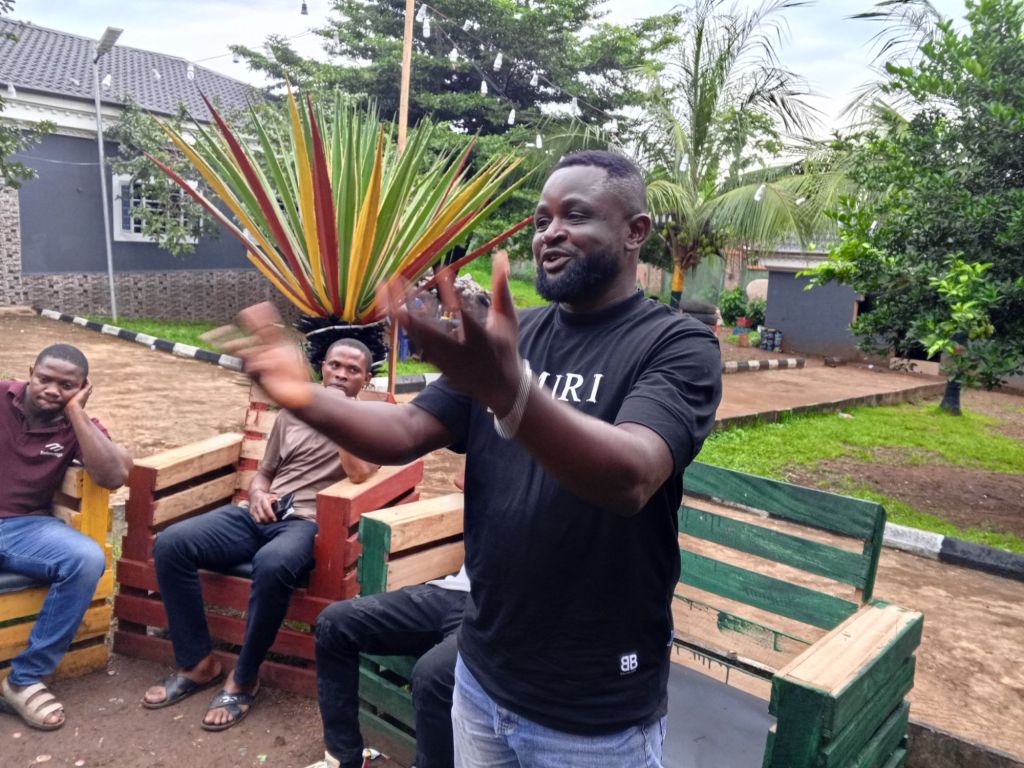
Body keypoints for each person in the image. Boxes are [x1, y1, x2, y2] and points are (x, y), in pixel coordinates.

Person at [234, 150, 723, 765]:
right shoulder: (517, 340)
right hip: (483, 678)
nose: (550, 233)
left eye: (575, 215)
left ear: (635, 231)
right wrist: (304, 396)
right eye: (542, 219)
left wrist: (510, 393)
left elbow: (632, 476)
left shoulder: (676, 344)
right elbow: (405, 430)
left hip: (592, 706)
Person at [141, 338, 380, 731]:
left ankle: (244, 676)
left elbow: (359, 474)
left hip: (309, 524)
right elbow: (266, 472)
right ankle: (198, 662)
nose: (341, 374)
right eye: (335, 365)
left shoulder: (371, 421)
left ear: (365, 379)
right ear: (323, 367)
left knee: (273, 564)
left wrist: (337, 416)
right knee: (172, 544)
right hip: (260, 514)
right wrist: (256, 494)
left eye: (352, 370)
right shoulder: (292, 413)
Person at [0, 344, 133, 731]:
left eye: (66, 386)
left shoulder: (78, 425)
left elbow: (114, 475)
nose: (52, 390)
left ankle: (24, 679)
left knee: (86, 558)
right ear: (30, 372)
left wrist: (75, 413)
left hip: (25, 527)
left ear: (83, 388)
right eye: (44, 379)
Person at [307, 564, 469, 768]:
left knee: (432, 675)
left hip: (497, 611)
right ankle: (344, 760)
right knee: (332, 623)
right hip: (456, 589)